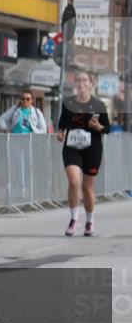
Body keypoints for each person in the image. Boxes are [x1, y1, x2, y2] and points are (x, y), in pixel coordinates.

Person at [57, 71, 111, 237]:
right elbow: (62, 124)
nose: (81, 83)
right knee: (74, 182)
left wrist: (98, 127)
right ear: (75, 83)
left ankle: (90, 221)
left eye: (84, 80)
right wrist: (60, 133)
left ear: (91, 83)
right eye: (78, 80)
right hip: (72, 147)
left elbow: (107, 128)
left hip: (92, 149)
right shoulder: (68, 103)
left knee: (87, 187)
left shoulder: (98, 104)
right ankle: (74, 219)